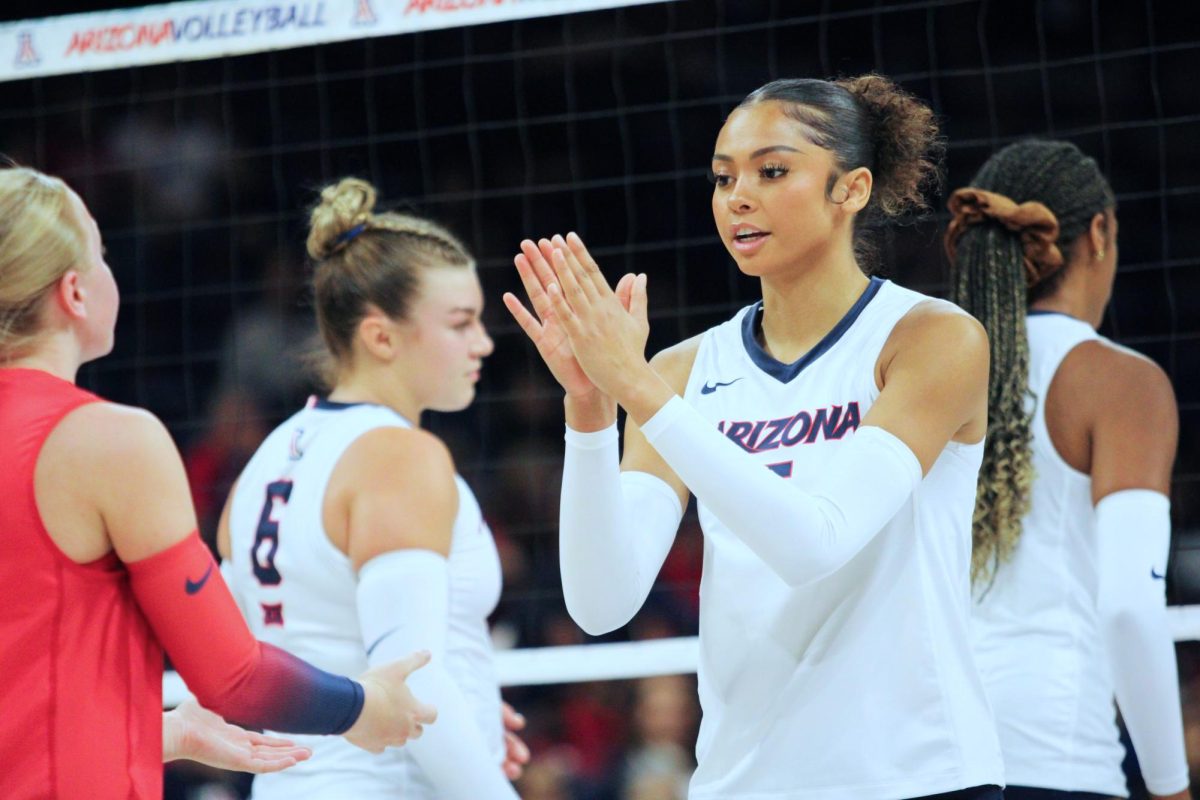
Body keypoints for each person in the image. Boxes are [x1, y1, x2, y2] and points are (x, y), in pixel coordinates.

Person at [505, 74, 1004, 799]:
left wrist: (636, 388)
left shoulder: (932, 339)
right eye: (723, 177)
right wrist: (590, 410)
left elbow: (815, 542)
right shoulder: (683, 371)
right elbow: (600, 601)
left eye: (772, 172)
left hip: (914, 776)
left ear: (851, 189)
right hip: (745, 782)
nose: (738, 197)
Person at [0, 165, 436, 800]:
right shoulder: (108, 440)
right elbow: (235, 678)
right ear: (74, 292)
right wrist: (362, 706)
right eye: (103, 252)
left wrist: (161, 736)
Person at [218, 177, 526, 799]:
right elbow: (411, 683)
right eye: (461, 324)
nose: (484, 344)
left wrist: (474, 715)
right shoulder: (399, 456)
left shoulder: (265, 460)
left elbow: (275, 656)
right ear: (381, 336)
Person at [946, 139, 1192, 800]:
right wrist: (1171, 787)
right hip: (1054, 759)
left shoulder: (929, 378)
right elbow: (1130, 610)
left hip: (923, 761)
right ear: (1101, 234)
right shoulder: (1120, 382)